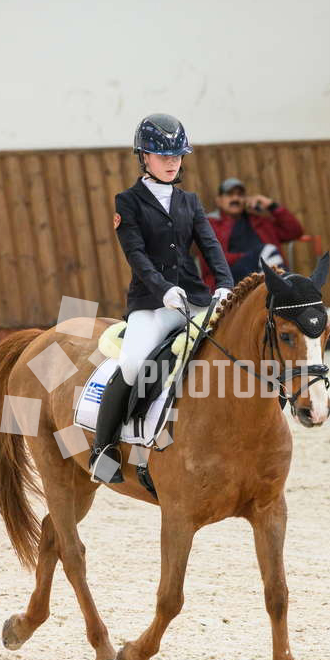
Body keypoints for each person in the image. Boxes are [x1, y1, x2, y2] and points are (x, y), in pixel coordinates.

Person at [89, 113, 234, 484]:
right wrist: (163, 288)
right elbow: (136, 255)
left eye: (177, 156)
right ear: (144, 157)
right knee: (134, 365)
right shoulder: (128, 202)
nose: (172, 163)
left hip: (194, 299)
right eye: (163, 156)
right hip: (152, 303)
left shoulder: (190, 201)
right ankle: (104, 450)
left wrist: (224, 283)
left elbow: (210, 245)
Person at [197, 177, 304, 291]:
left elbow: (294, 232)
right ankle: (286, 291)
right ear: (219, 200)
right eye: (229, 194)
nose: (235, 198)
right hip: (230, 276)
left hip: (263, 270)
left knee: (267, 256)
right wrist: (251, 257)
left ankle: (281, 291)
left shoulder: (260, 221)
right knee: (267, 251)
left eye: (240, 195)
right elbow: (211, 259)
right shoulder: (210, 224)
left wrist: (271, 205)